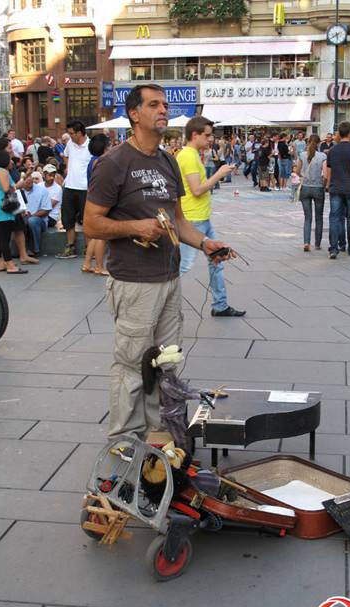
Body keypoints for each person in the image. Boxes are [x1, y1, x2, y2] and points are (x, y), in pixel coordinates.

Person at [83, 84, 233, 440]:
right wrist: (135, 226)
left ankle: (159, 432)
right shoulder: (114, 162)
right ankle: (124, 442)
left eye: (164, 105)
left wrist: (205, 242)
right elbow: (91, 224)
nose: (163, 110)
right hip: (134, 284)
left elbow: (179, 221)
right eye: (154, 105)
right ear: (134, 114)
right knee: (133, 365)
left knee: (165, 362)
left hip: (168, 280)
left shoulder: (167, 159)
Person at [176, 116, 246, 318]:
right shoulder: (188, 156)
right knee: (182, 267)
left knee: (217, 259)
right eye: (207, 136)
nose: (211, 140)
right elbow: (197, 190)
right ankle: (155, 302)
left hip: (201, 218)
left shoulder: (192, 154)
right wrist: (219, 174)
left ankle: (220, 305)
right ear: (194, 135)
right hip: (193, 220)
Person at [326, 121, 350, 259]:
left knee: (335, 218)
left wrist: (329, 185)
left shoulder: (332, 151)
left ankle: (334, 248)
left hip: (335, 188)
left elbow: (328, 171)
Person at [55, 119, 92, 259]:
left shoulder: (91, 146)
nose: (70, 137)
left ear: (80, 133)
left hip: (85, 188)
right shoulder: (70, 144)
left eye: (72, 134)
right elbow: (66, 155)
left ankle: (89, 248)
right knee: (67, 219)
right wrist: (68, 170)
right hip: (69, 186)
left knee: (86, 220)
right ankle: (70, 247)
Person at [0, 151, 28, 274]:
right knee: (4, 238)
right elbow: (6, 189)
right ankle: (10, 264)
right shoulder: (3, 172)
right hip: (4, 209)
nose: (11, 161)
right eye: (9, 159)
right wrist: (19, 185)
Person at [82, 134, 111, 275]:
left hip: (92, 198)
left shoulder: (92, 160)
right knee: (101, 235)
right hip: (101, 200)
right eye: (109, 145)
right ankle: (100, 266)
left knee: (95, 235)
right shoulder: (100, 162)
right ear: (105, 147)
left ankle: (87, 263)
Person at [296, 135, 326, 252]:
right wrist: (324, 184)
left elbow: (297, 171)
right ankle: (317, 244)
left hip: (305, 188)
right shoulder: (323, 156)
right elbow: (326, 174)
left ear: (307, 142)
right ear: (318, 143)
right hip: (318, 187)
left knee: (307, 217)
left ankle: (306, 242)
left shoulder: (302, 155)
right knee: (319, 217)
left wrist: (303, 176)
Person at [22, 173, 52, 257]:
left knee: (32, 220)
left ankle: (34, 250)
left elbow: (46, 210)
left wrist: (31, 216)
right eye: (26, 178)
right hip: (23, 218)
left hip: (39, 220)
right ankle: (22, 250)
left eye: (30, 177)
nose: (29, 180)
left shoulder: (42, 190)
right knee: (19, 220)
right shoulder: (18, 192)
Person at [42, 164, 62, 229]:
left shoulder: (58, 189)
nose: (52, 178)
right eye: (50, 175)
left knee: (33, 221)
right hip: (40, 214)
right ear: (44, 175)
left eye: (53, 175)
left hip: (51, 217)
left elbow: (48, 207)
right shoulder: (39, 185)